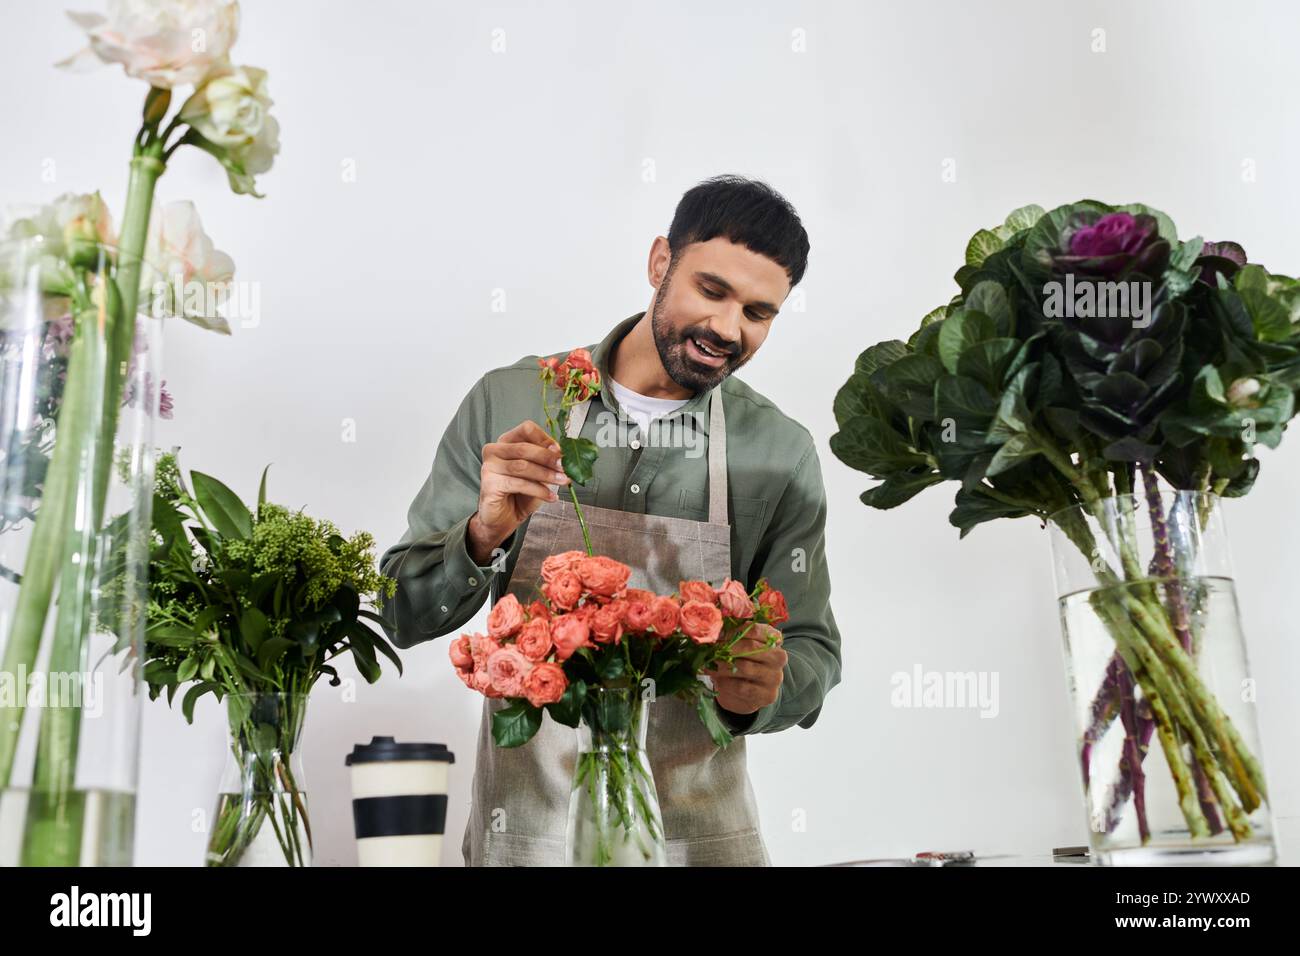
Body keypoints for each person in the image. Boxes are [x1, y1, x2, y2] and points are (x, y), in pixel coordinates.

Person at [380, 174, 842, 866]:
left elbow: (812, 645)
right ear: (660, 263)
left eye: (758, 312)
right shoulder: (512, 399)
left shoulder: (779, 452)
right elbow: (399, 613)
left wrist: (769, 688)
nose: (726, 328)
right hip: (527, 841)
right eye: (711, 291)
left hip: (701, 844)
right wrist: (481, 536)